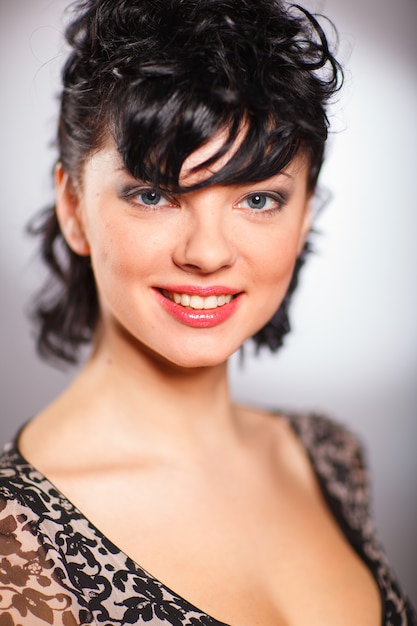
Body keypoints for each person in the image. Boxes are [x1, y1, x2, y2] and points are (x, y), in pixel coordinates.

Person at [0, 0, 415, 624]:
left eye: (259, 199)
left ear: (305, 215)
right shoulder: (12, 536)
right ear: (72, 205)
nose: (208, 252)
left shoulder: (330, 455)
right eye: (154, 194)